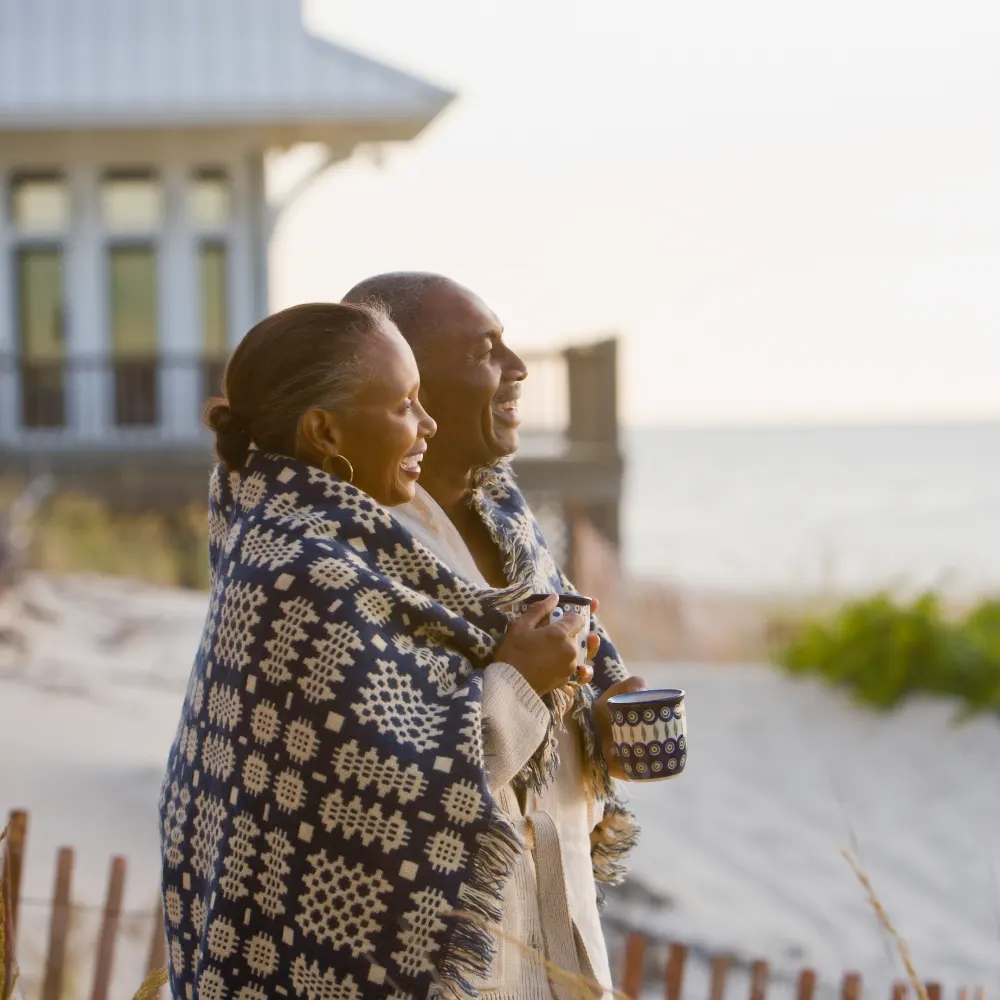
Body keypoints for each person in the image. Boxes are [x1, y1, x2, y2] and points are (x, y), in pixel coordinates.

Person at [159, 302, 598, 1000]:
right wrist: (516, 679)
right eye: (404, 406)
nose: (427, 425)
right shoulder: (300, 572)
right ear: (325, 430)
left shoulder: (336, 545)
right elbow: (400, 787)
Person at [343, 274, 645, 998]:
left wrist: (600, 718)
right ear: (402, 375)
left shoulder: (508, 513)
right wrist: (517, 682)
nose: (517, 369)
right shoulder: (349, 552)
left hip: (556, 911)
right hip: (447, 946)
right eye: (484, 350)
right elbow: (378, 776)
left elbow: (568, 660)